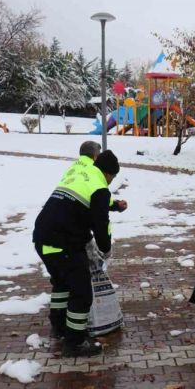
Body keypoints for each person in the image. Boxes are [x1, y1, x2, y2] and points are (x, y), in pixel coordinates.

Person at [32, 149, 127, 357]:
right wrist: (105, 249)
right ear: (109, 174)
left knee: (62, 283)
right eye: (113, 177)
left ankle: (59, 327)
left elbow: (90, 202)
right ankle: (75, 342)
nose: (111, 182)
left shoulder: (82, 174)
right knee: (82, 292)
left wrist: (115, 205)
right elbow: (101, 224)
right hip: (64, 243)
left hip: (42, 238)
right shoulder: (100, 187)